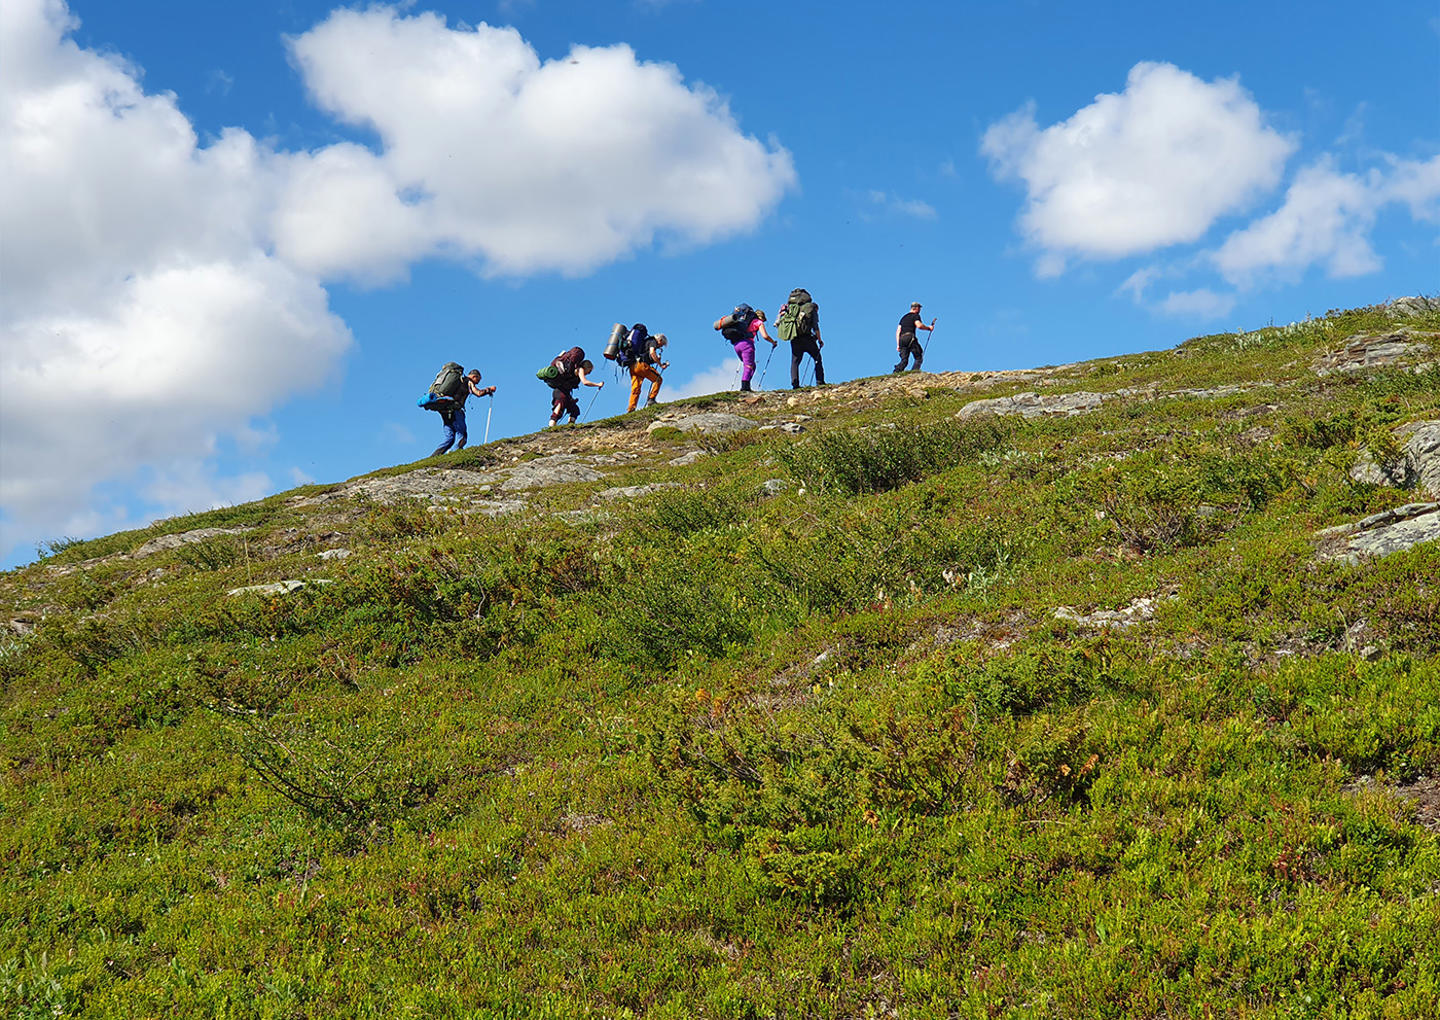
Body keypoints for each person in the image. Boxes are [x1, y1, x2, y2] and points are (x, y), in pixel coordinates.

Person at [432, 369, 495, 456]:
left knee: (449, 438)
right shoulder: (468, 381)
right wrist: (489, 389)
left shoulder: (458, 381)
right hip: (456, 410)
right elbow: (478, 393)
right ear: (474, 376)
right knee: (462, 435)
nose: (478, 383)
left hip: (445, 410)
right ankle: (455, 454)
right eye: (478, 380)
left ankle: (435, 456)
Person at [715, 304, 775, 392]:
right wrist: (773, 342)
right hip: (747, 345)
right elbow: (765, 336)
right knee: (748, 366)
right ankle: (744, 387)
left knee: (752, 365)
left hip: (736, 345)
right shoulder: (758, 322)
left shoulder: (742, 321)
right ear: (762, 318)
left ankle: (747, 385)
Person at [544, 347, 604, 427]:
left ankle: (570, 426)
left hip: (562, 392)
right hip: (561, 392)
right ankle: (551, 428)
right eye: (589, 371)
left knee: (574, 410)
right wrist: (597, 384)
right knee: (559, 409)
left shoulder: (572, 370)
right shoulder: (580, 369)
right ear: (586, 367)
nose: (588, 373)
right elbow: (585, 382)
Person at [777, 288, 824, 389]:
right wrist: (820, 340)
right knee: (817, 358)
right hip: (807, 338)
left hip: (794, 337)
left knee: (795, 361)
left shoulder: (791, 308)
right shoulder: (811, 308)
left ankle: (795, 384)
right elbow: (815, 326)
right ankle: (820, 382)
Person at [627, 331, 669, 411]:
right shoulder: (653, 341)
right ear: (660, 340)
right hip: (641, 366)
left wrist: (655, 360)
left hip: (633, 366)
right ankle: (651, 400)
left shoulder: (645, 342)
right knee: (658, 380)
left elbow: (648, 355)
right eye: (662, 344)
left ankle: (631, 408)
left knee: (636, 388)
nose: (660, 346)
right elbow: (652, 352)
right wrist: (660, 364)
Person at [894, 301, 934, 372]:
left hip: (902, 339)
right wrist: (929, 328)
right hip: (910, 337)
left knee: (904, 360)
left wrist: (898, 344)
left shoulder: (903, 318)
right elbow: (919, 325)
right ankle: (914, 372)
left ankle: (896, 372)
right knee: (918, 356)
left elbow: (898, 331)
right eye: (919, 309)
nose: (920, 311)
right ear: (916, 308)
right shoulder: (915, 316)